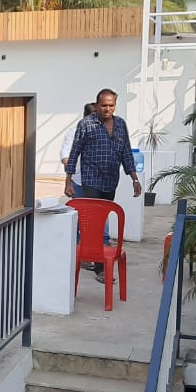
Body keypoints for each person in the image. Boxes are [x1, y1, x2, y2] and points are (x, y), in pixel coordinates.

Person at [64, 88, 142, 283]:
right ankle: (100, 268)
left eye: (111, 105)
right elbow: (74, 152)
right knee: (95, 224)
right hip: (91, 180)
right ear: (97, 105)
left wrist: (134, 178)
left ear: (115, 105)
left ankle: (92, 257)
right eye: (104, 105)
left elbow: (126, 152)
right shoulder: (86, 124)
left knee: (103, 219)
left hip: (110, 181)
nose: (107, 109)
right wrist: (68, 180)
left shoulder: (120, 124)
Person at [61, 102, 108, 258]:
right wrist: (68, 181)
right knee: (80, 217)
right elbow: (66, 158)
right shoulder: (73, 133)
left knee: (101, 217)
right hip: (79, 182)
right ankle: (79, 253)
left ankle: (101, 251)